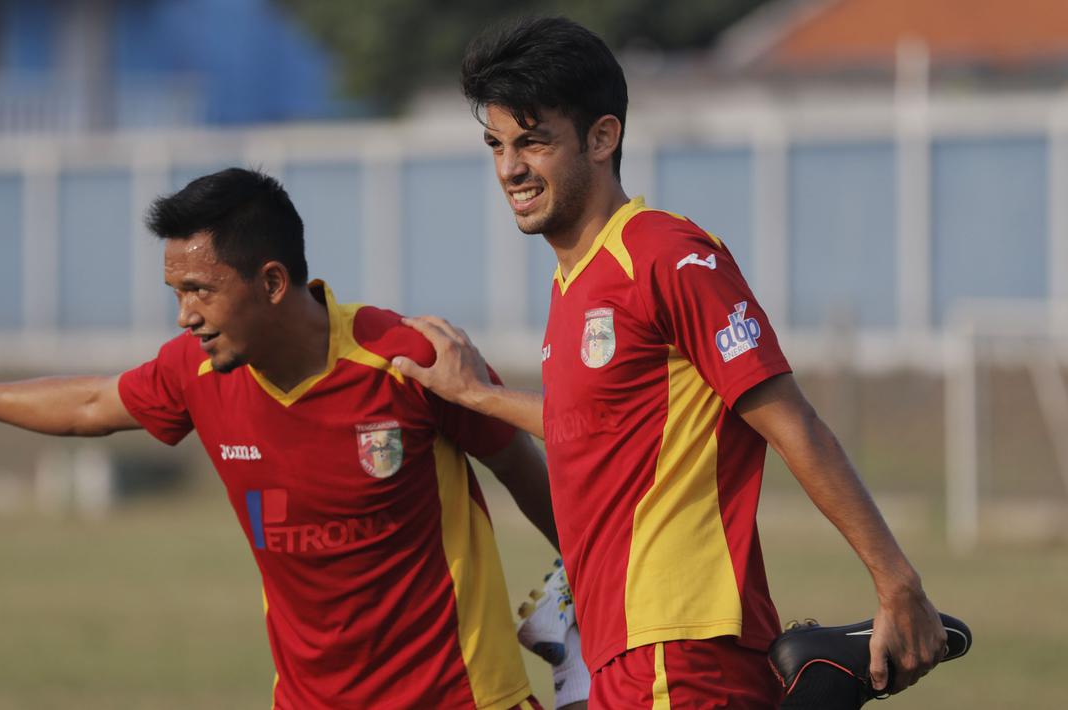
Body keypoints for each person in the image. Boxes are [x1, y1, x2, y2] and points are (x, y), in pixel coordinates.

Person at [0, 168, 586, 710]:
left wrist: (596, 580)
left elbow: (522, 467)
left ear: (270, 281)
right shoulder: (196, 371)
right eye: (176, 293)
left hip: (459, 699)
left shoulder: (406, 356)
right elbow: (89, 403)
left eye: (199, 290)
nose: (184, 316)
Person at [390, 17, 948, 709]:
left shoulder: (663, 253)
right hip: (631, 650)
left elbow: (789, 421)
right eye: (496, 144)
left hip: (679, 645)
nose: (509, 168)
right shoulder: (576, 281)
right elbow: (604, 423)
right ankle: (817, 687)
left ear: (602, 137)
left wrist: (896, 583)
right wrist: (477, 395)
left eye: (532, 141)